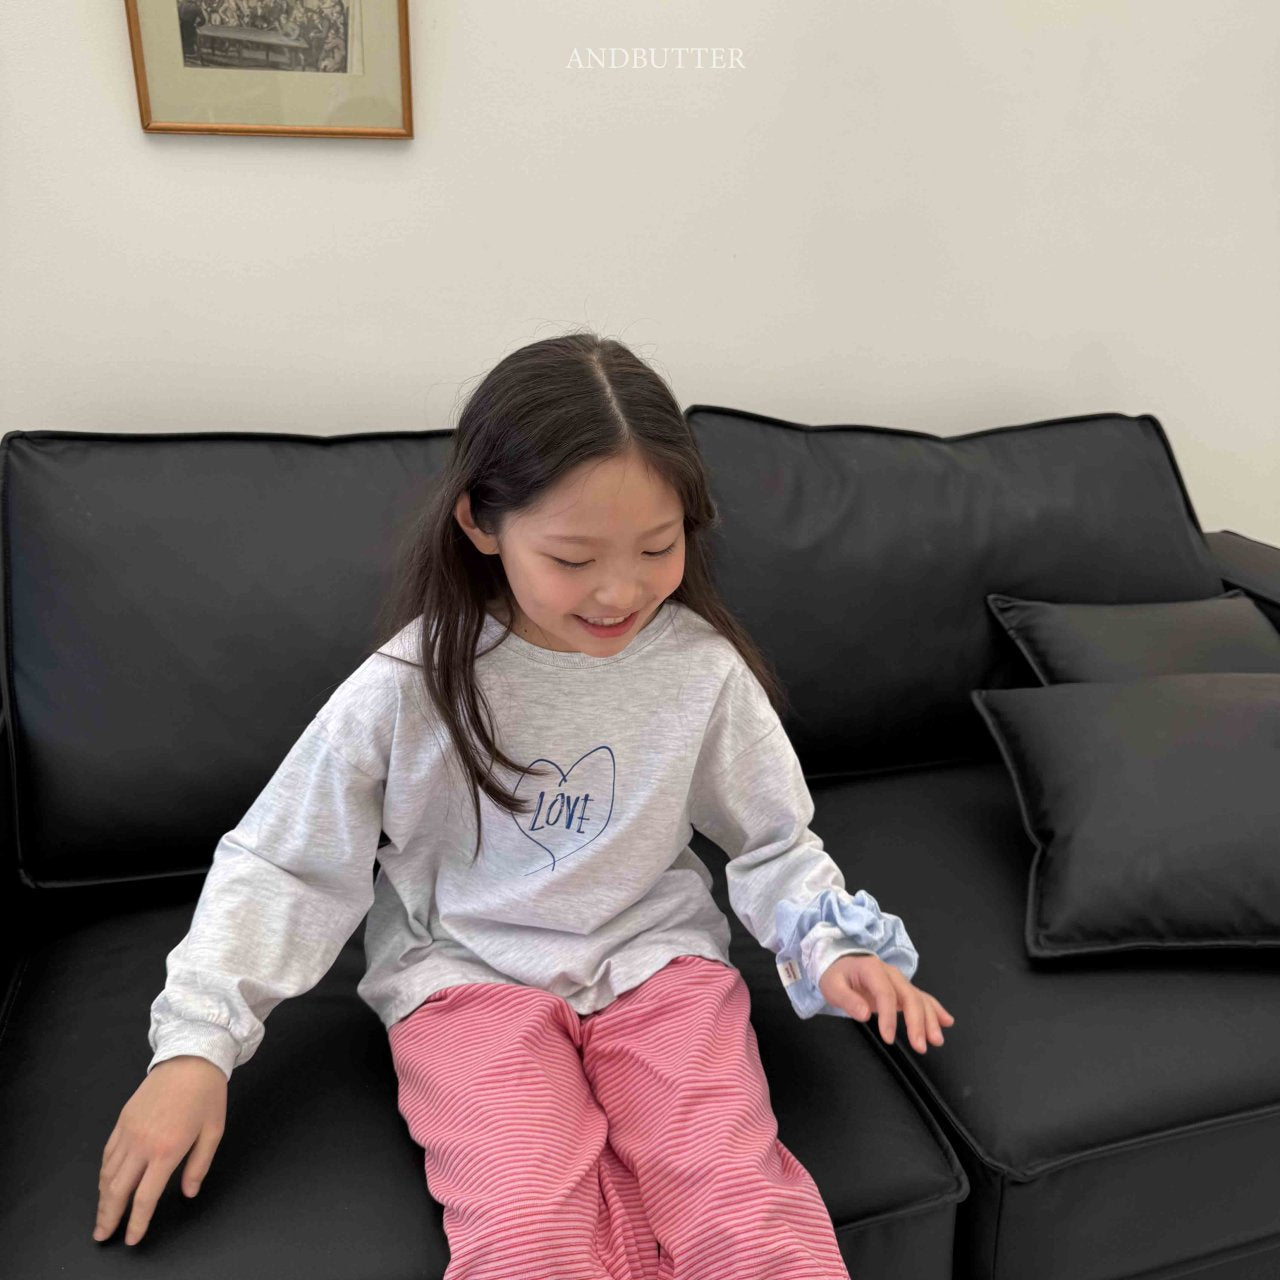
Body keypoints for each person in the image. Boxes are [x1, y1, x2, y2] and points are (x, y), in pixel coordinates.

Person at [91, 332, 956, 1277]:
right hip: (465, 979)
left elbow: (773, 842)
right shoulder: (411, 684)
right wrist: (197, 1047)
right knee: (529, 1236)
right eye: (573, 558)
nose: (621, 591)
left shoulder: (700, 672)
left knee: (746, 1222)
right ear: (481, 523)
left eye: (658, 547)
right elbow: (287, 862)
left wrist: (832, 945)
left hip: (658, 968)